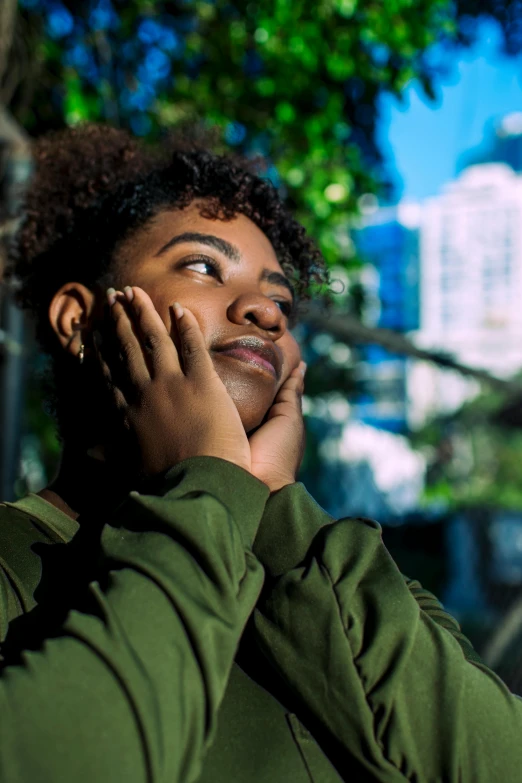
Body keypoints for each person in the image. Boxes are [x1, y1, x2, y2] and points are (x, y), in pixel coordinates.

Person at [0, 123, 521, 783]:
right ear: (80, 319)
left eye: (279, 299)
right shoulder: (10, 563)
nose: (265, 312)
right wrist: (206, 487)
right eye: (201, 266)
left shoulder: (336, 566)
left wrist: (274, 506)